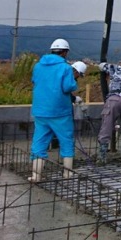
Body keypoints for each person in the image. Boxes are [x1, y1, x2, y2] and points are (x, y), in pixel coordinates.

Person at [30, 38, 79, 182]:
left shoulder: (38, 66)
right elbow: (68, 87)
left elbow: (34, 82)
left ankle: (36, 175)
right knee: (66, 141)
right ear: (64, 52)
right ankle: (67, 173)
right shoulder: (65, 68)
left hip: (40, 110)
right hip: (60, 111)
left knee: (39, 142)